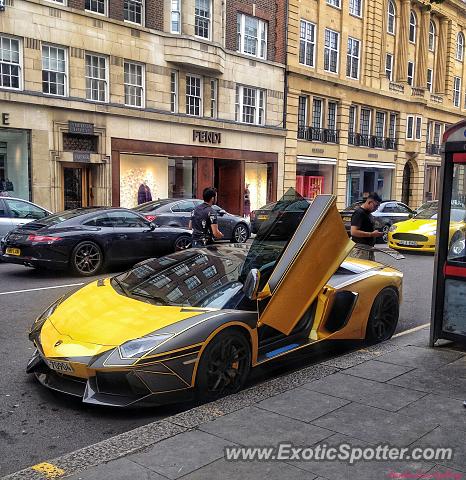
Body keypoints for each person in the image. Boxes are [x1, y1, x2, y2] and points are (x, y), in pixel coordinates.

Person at [350, 192, 383, 261]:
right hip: (360, 250)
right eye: (376, 205)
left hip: (368, 248)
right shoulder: (359, 213)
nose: (377, 208)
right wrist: (371, 234)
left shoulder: (368, 213)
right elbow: (353, 232)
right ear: (369, 202)